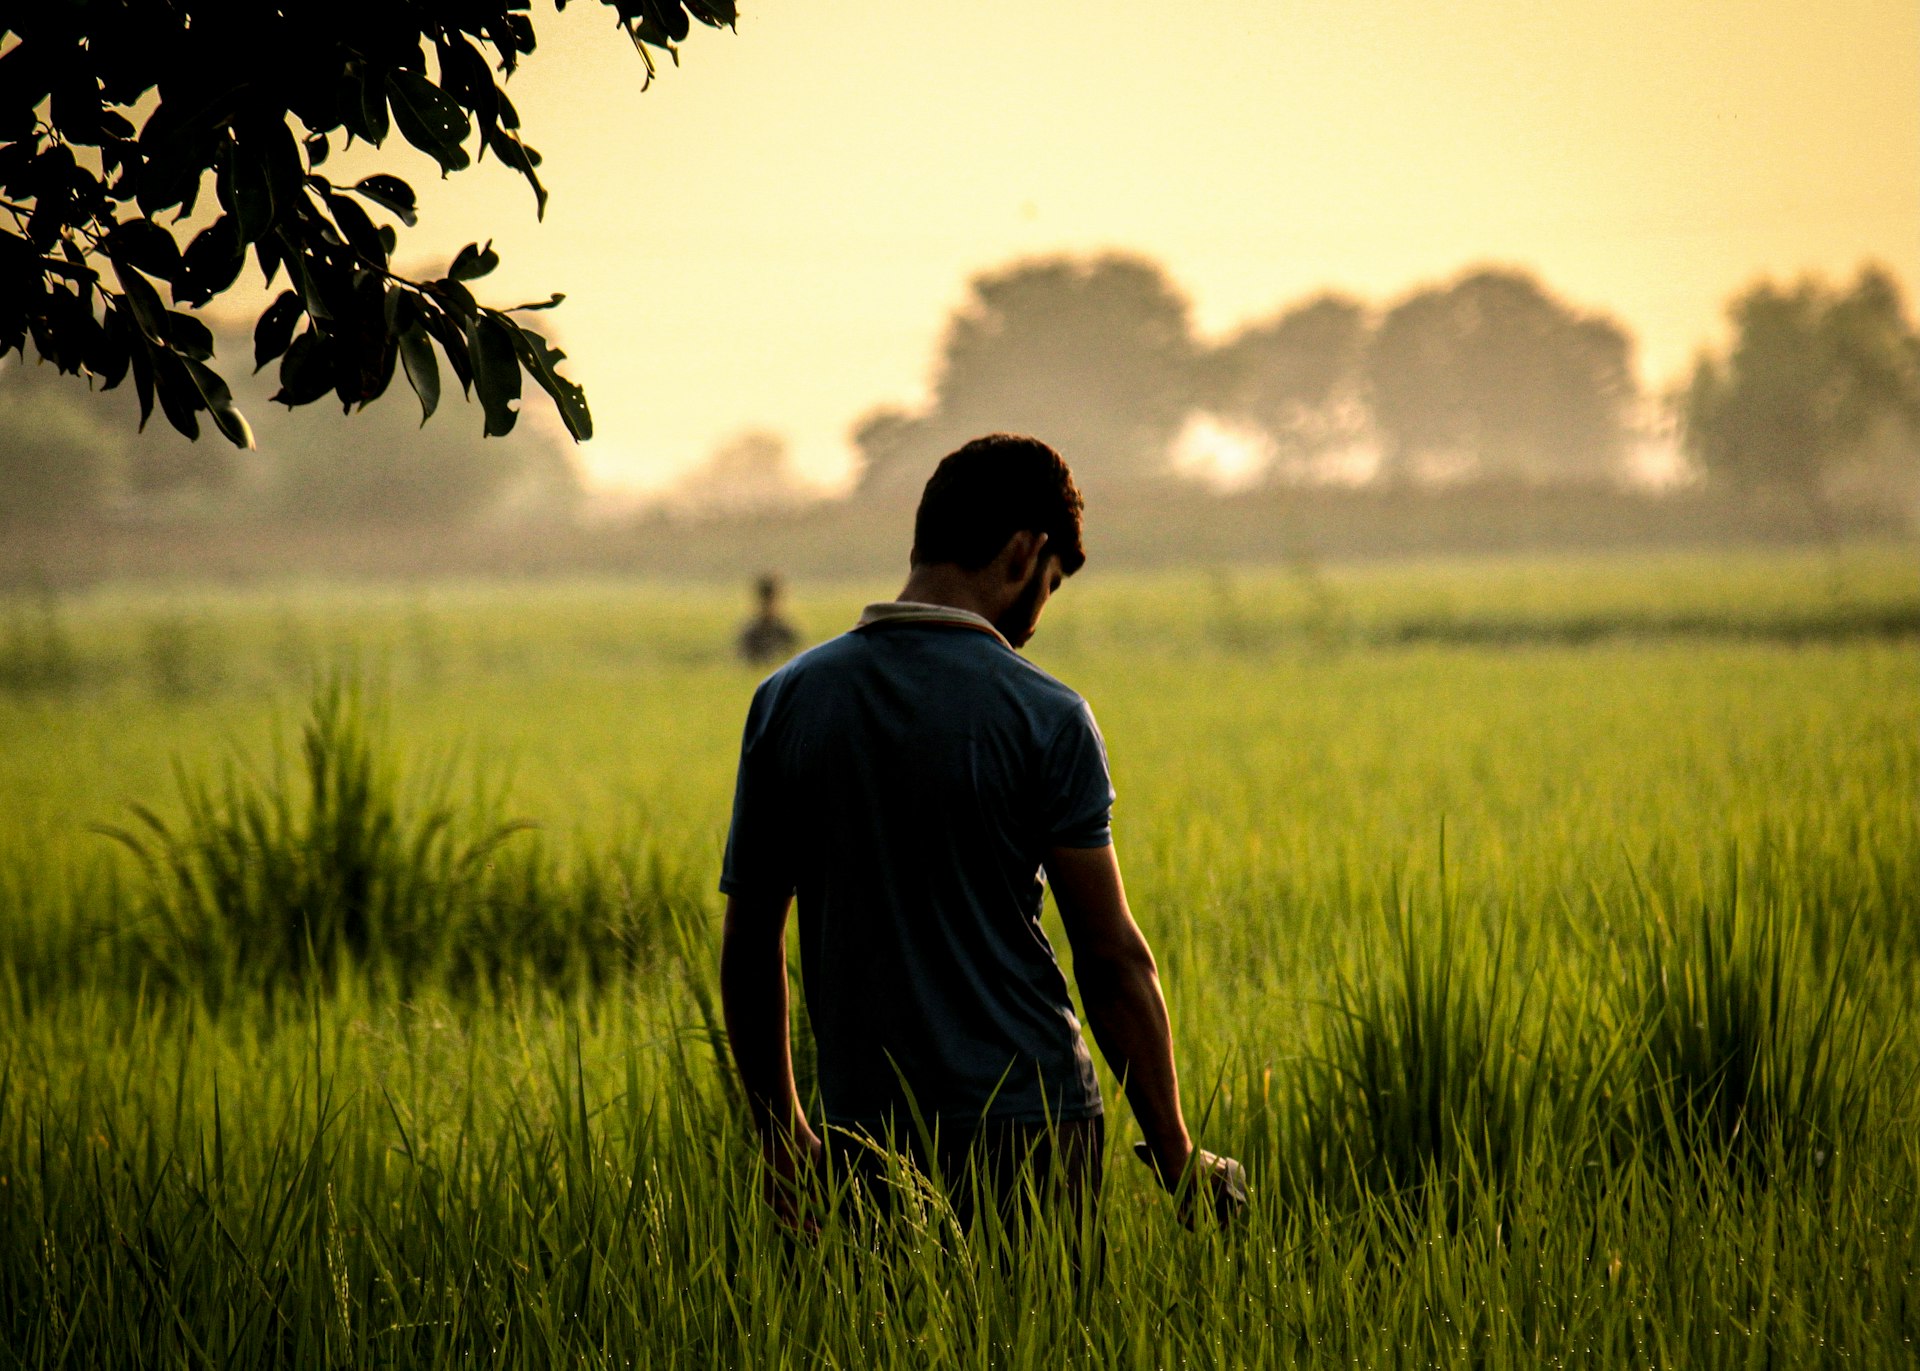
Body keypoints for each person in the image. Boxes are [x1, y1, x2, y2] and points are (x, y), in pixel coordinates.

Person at [719, 434, 1245, 1234]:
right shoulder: (1045, 714)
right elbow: (1110, 958)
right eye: (1052, 584)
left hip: (862, 1135)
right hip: (1034, 1132)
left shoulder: (788, 701)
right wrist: (1177, 1152)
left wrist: (781, 1134)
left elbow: (752, 941)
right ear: (1026, 551)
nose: (1036, 620)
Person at [736, 572, 801, 666]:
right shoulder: (751, 634)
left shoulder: (786, 632)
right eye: (766, 600)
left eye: (771, 600)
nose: (769, 605)